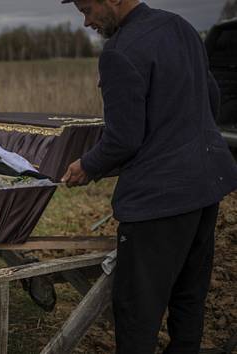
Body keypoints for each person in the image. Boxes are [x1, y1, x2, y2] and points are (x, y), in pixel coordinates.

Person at [60, 0, 237, 353]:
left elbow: (122, 138)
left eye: (87, 9)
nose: (85, 21)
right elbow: (211, 98)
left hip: (158, 202)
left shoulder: (119, 52)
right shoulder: (181, 27)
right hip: (204, 189)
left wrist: (88, 165)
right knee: (189, 295)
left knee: (137, 311)